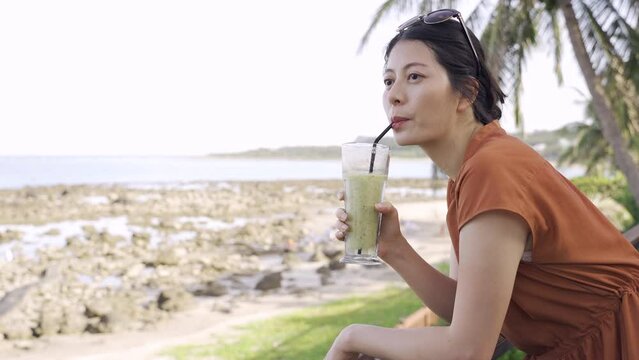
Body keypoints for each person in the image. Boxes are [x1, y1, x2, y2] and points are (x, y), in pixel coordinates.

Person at [325, 8, 639, 360]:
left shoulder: (492, 168)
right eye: (388, 80)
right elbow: (464, 310)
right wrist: (393, 247)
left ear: (466, 93)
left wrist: (352, 338)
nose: (394, 95)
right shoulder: (468, 175)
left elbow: (469, 349)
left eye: (414, 77)